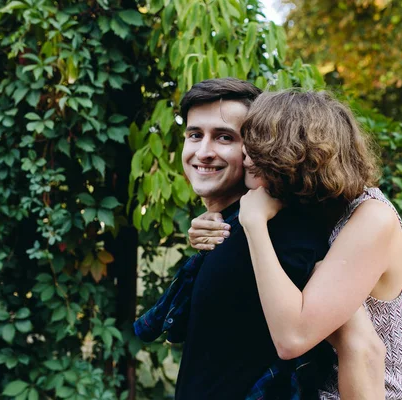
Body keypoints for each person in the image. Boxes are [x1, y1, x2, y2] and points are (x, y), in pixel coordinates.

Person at [189, 90, 402, 399]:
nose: (245, 155)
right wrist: (211, 224)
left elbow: (293, 336)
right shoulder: (311, 209)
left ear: (294, 153)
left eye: (258, 145)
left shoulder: (372, 219)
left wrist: (255, 226)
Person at [134, 78, 343, 399]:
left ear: (255, 148)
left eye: (224, 137)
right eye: (194, 135)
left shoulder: (284, 232)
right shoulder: (227, 230)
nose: (203, 152)